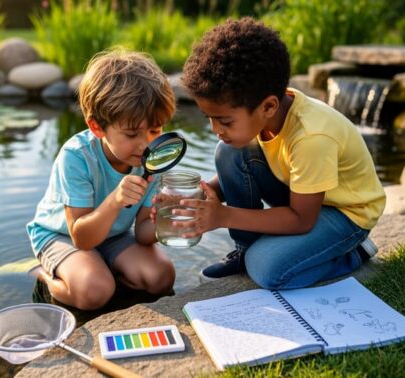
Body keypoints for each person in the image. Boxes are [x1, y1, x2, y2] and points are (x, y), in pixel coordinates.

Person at [174, 17, 386, 289]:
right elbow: (239, 168)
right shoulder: (268, 111)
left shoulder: (311, 137)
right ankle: (245, 249)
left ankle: (354, 252)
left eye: (225, 121)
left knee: (267, 270)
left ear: (268, 107)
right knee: (228, 151)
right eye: (209, 118)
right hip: (304, 195)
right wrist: (202, 196)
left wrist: (223, 216)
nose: (216, 129)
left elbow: (301, 219)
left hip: (344, 214)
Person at [27, 49, 176, 310]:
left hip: (113, 235)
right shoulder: (77, 157)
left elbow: (142, 233)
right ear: (97, 127)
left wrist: (169, 221)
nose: (146, 144)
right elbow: (81, 239)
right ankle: (42, 273)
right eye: (132, 134)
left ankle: (101, 269)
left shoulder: (153, 157)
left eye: (155, 130)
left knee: (161, 277)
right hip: (62, 235)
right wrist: (116, 200)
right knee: (95, 292)